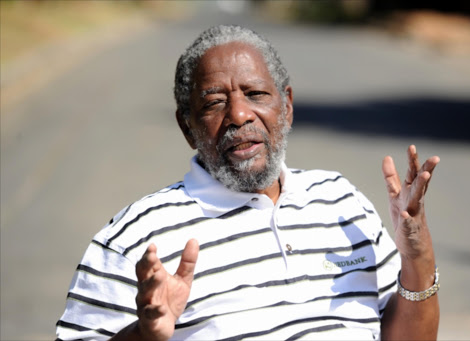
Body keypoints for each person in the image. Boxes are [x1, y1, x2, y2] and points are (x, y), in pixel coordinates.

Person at [56, 25, 440, 341]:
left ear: (286, 107)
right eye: (214, 103)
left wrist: (418, 256)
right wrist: (145, 334)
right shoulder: (137, 238)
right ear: (187, 127)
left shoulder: (341, 202)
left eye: (255, 94)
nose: (239, 115)